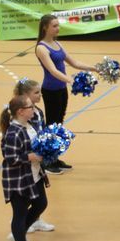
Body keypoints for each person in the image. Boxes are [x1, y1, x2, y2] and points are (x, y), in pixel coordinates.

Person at [34, 14, 98, 172]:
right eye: (54, 26)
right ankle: (46, 162)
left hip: (61, 89)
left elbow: (74, 63)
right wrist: (71, 80)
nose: (58, 28)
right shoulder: (41, 48)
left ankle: (54, 158)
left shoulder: (57, 44)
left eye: (58, 25)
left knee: (59, 125)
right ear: (45, 28)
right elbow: (53, 70)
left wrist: (94, 68)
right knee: (51, 126)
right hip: (50, 90)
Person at [0, 95, 47, 241]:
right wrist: (30, 157)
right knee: (19, 213)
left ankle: (18, 234)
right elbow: (10, 158)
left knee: (41, 203)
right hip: (19, 178)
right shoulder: (13, 133)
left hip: (34, 174)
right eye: (30, 107)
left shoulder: (30, 124)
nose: (33, 109)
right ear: (20, 111)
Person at [13, 78, 54, 233]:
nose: (40, 95)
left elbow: (42, 133)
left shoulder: (38, 112)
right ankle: (20, 227)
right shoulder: (18, 114)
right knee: (25, 200)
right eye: (36, 93)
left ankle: (34, 220)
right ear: (25, 95)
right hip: (24, 163)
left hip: (36, 161)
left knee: (38, 198)